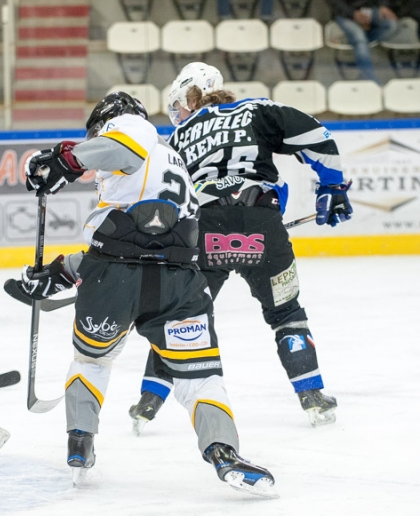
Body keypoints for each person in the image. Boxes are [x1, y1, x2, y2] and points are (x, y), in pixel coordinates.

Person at [11, 92, 277, 497]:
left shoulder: (132, 127)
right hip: (180, 285)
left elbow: (122, 238)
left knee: (92, 360)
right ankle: (223, 452)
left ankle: (80, 441)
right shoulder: (171, 159)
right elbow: (151, 238)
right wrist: (61, 271)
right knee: (200, 378)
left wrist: (66, 159)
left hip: (113, 280)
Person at [128, 62, 352, 435]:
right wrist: (333, 187)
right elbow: (315, 135)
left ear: (191, 97)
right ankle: (312, 395)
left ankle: (149, 402)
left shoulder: (179, 137)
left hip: (204, 232)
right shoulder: (256, 110)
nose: (178, 112)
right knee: (286, 314)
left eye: (180, 104)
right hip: (262, 227)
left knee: (182, 317)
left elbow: (165, 198)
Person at [325, 0, 399, 83]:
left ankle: (357, 43)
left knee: (391, 26)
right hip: (344, 13)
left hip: (369, 9)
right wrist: (352, 14)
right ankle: (369, 79)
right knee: (358, 36)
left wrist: (383, 5)